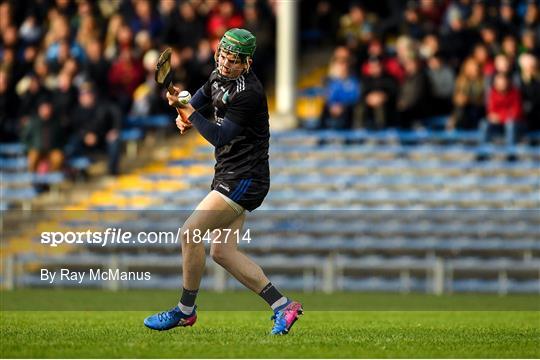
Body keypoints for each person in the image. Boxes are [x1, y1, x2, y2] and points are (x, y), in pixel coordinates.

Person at [143, 28, 303, 335]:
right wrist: (182, 108)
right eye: (223, 57)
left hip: (246, 178)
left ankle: (185, 311)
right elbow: (199, 102)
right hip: (229, 172)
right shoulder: (217, 76)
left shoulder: (248, 92)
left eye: (234, 61)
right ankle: (283, 306)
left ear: (247, 63)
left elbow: (218, 136)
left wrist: (189, 112)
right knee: (222, 252)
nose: (226, 64)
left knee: (190, 232)